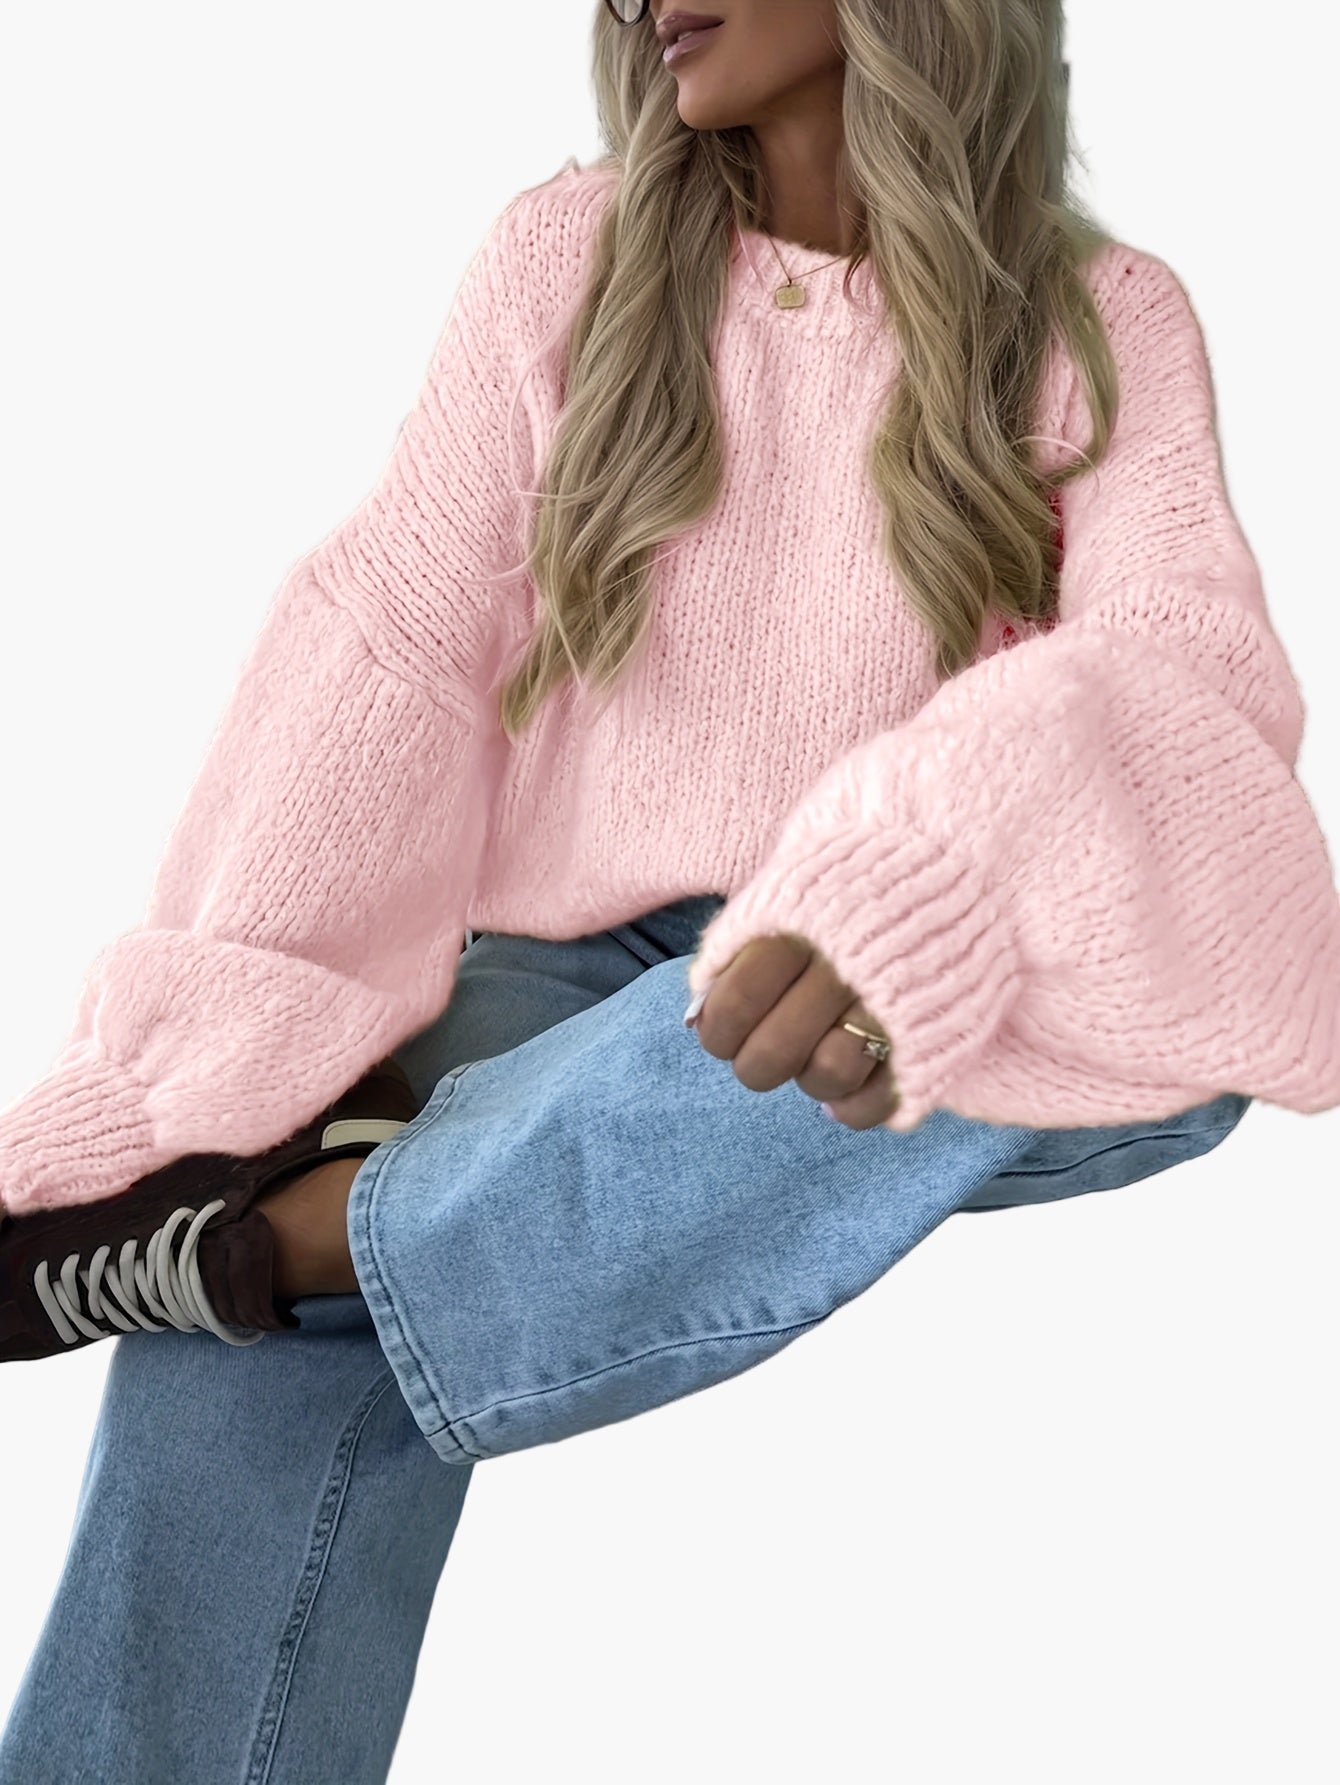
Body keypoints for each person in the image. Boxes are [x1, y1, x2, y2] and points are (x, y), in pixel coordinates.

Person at [1, 0, 1336, 1778]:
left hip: (919, 958)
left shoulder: (1102, 317)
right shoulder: (566, 257)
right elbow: (390, 651)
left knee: (955, 994)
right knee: (245, 1339)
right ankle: (270, 1244)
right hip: (574, 972)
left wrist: (920, 874)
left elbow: (1177, 674)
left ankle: (294, 1235)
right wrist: (189, 1058)